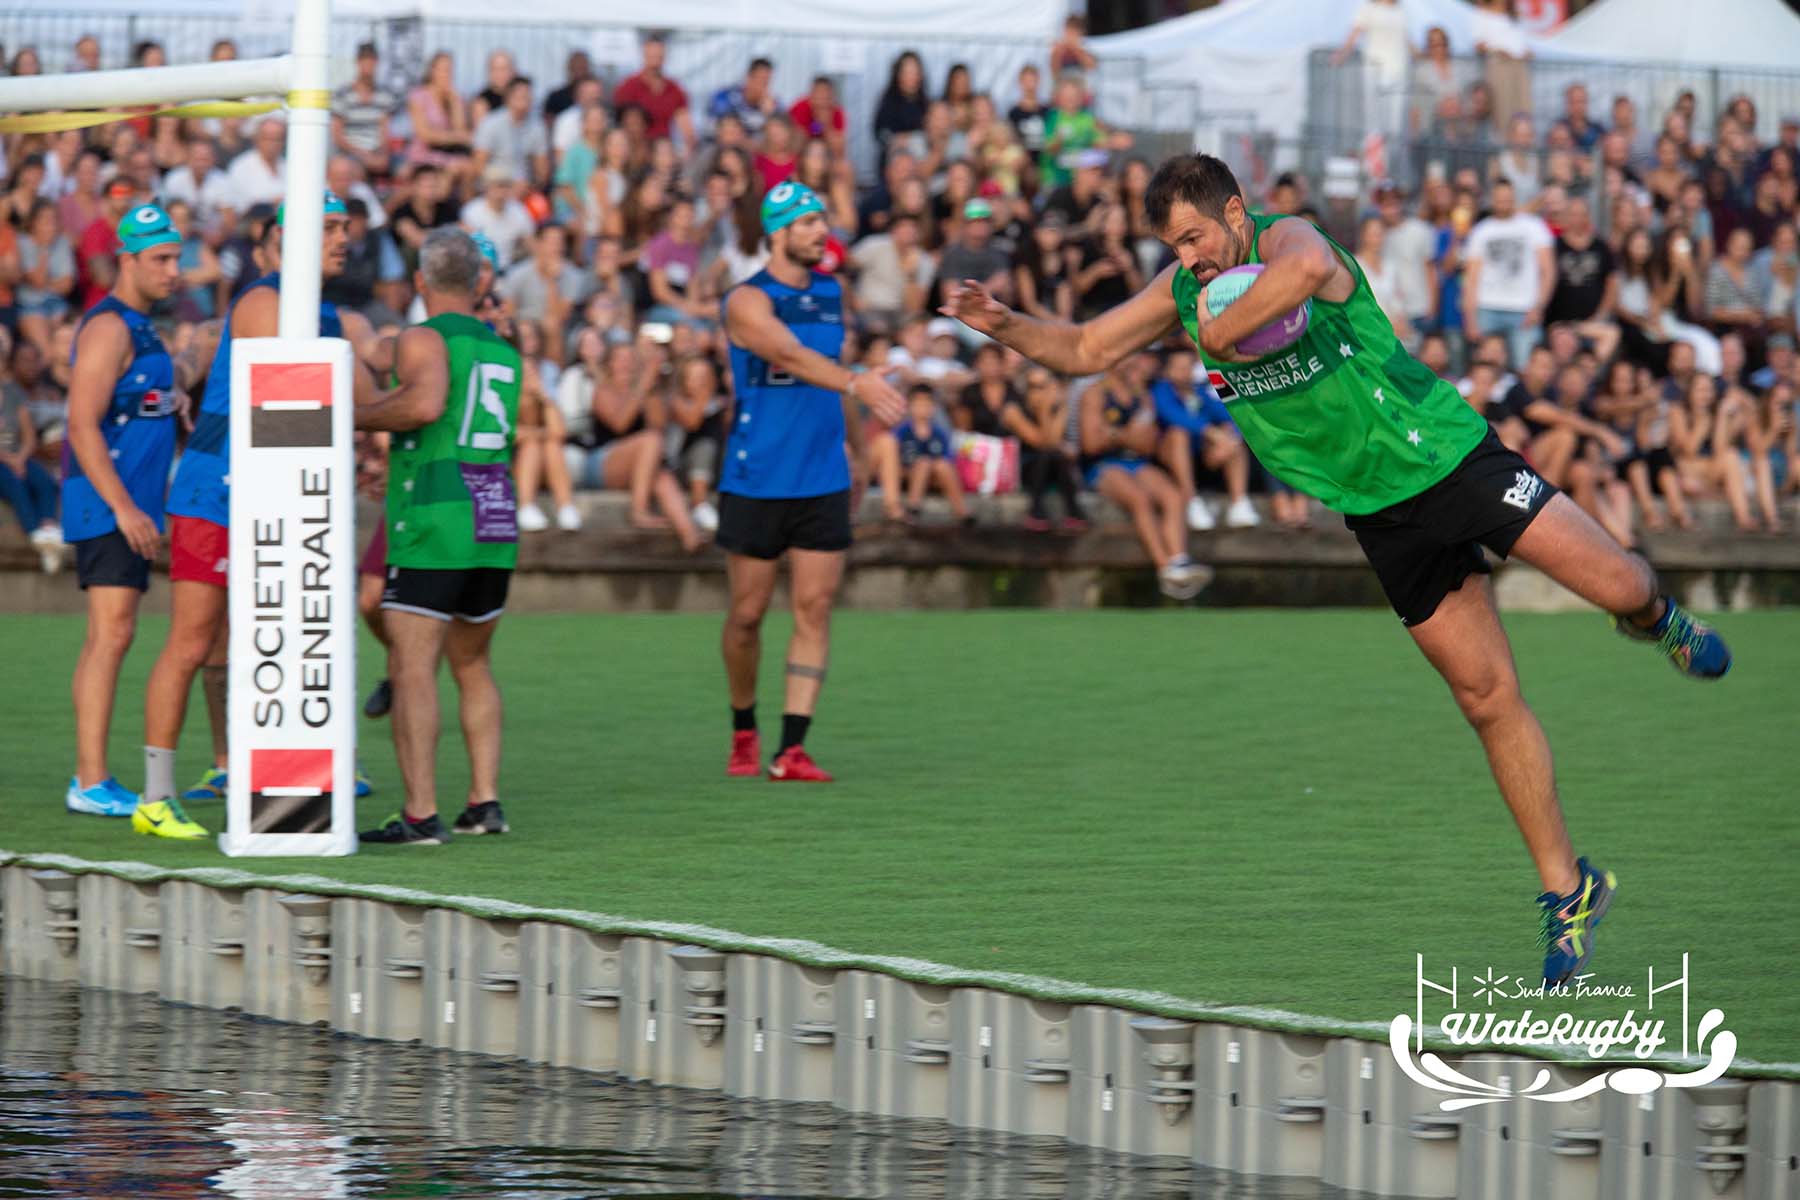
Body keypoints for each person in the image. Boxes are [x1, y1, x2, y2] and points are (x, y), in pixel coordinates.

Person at [942, 153, 1734, 989]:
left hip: (1450, 458)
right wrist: (1001, 323)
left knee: (1620, 585)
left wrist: (1220, 325)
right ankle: (1568, 890)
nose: (1187, 259)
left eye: (1194, 238)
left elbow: (1311, 269)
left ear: (1236, 213)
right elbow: (1084, 347)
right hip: (1380, 513)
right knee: (1485, 699)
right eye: (1172, 247)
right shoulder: (1188, 292)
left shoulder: (1288, 239)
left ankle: (1657, 620)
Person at [142, 192, 377, 824]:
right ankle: (156, 795)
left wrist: (379, 440)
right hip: (215, 492)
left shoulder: (325, 314)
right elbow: (299, 400)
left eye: (346, 228)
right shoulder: (264, 303)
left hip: (271, 495)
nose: (342, 239)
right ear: (289, 237)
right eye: (328, 227)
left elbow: (361, 401)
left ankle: (292, 766)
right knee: (194, 641)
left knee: (280, 631)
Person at [718, 181, 906, 782]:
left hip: (821, 474)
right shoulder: (746, 301)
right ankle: (744, 728)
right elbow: (793, 357)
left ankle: (791, 748)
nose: (819, 231)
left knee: (814, 608)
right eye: (805, 223)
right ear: (777, 232)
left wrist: (856, 447)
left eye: (822, 220)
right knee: (746, 616)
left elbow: (830, 377)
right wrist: (856, 381)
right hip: (757, 476)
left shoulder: (830, 292)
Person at [355, 229, 533, 844]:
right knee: (474, 662)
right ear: (481, 281)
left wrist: (351, 414)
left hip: (435, 513)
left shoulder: (423, 336)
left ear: (421, 283)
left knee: (412, 666)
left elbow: (425, 405)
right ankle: (484, 801)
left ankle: (420, 813)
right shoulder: (505, 349)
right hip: (493, 514)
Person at [59, 205, 198, 830]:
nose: (175, 270)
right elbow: (81, 422)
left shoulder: (143, 327)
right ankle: (90, 779)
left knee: (114, 634)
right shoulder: (109, 327)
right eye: (161, 259)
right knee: (110, 634)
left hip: (129, 504)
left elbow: (139, 402)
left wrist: (177, 399)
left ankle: (92, 776)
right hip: (107, 503)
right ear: (128, 259)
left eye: (177, 257)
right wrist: (122, 506)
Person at [1077, 354, 1209, 598]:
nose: (1130, 363)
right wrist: (1127, 436)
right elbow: (1091, 444)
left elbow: (1148, 445)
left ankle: (1180, 560)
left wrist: (1115, 434)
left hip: (1136, 462)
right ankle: (1165, 568)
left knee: (1173, 496)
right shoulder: (1094, 394)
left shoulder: (1142, 396)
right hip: (1103, 464)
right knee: (1139, 498)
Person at [1463, 179, 1555, 373]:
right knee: (1484, 370)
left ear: (1514, 197)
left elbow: (1548, 271)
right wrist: (1470, 317)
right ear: (1492, 199)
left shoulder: (1534, 227)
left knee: (1526, 370)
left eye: (1507, 197)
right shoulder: (1481, 230)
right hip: (1487, 308)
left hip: (1524, 310)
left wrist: (1539, 306)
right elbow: (1471, 278)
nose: (1504, 201)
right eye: (1499, 198)